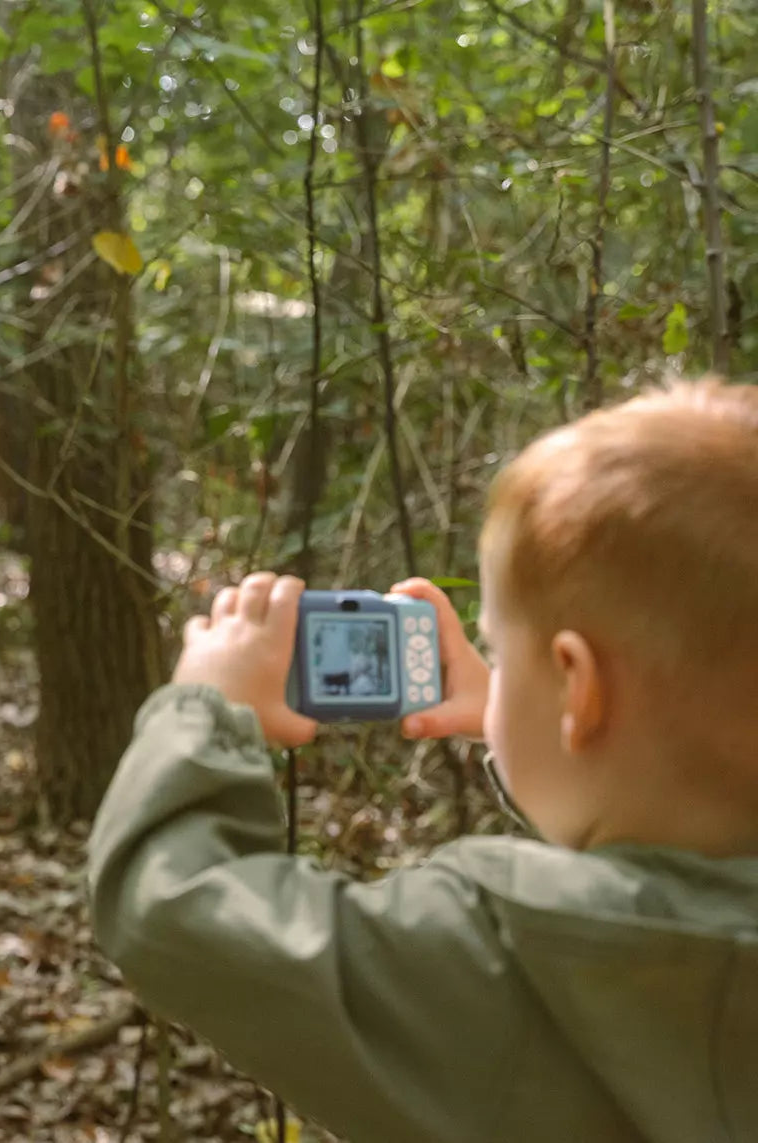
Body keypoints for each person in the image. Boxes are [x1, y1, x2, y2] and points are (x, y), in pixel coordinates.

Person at [88, 378, 758, 1143]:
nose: (491, 671)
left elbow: (170, 904)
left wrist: (208, 707)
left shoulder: (509, 955)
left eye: (503, 651)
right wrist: (514, 713)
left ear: (581, 689)